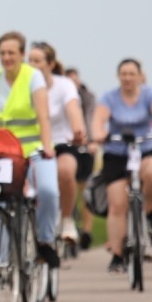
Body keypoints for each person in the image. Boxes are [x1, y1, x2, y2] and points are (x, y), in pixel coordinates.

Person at [0, 31, 60, 269]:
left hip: (33, 149)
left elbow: (43, 116)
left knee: (49, 191)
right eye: (2, 53)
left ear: (22, 54)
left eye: (11, 53)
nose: (6, 58)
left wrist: (47, 147)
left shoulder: (33, 77)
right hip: (1, 152)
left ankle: (45, 240)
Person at [90, 59, 152, 273]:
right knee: (117, 204)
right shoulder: (109, 97)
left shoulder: (149, 95)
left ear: (139, 76)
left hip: (144, 148)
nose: (127, 78)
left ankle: (150, 212)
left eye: (131, 74)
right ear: (118, 76)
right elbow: (99, 120)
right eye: (123, 74)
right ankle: (117, 254)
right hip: (117, 152)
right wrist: (98, 134)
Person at [28, 42, 87, 246]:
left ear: (51, 64)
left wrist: (78, 130)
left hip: (61, 142)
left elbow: (73, 109)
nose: (32, 65)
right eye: (29, 61)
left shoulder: (64, 85)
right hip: (32, 145)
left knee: (65, 171)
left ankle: (67, 219)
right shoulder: (22, 85)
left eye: (37, 61)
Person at [64, 67, 98, 248]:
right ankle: (66, 219)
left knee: (85, 189)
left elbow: (91, 118)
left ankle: (86, 231)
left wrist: (92, 141)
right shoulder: (61, 95)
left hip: (85, 144)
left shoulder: (87, 97)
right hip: (65, 143)